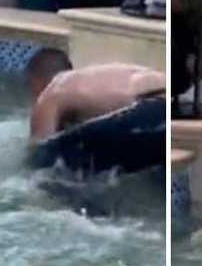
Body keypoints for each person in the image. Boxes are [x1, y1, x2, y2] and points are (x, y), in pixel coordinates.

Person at [25, 50, 166, 175]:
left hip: (148, 111)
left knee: (47, 164)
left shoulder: (51, 93)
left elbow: (37, 151)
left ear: (35, 82)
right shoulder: (90, 80)